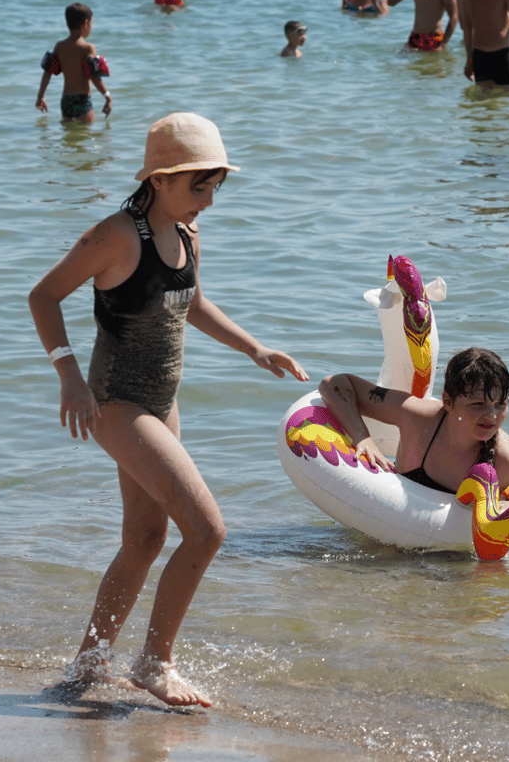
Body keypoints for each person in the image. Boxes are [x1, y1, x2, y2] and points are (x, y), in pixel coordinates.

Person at [28, 112, 310, 706]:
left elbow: (193, 303)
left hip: (162, 403)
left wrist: (254, 348)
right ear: (159, 179)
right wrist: (69, 378)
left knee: (145, 538)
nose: (208, 200)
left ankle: (88, 666)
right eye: (198, 186)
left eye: (213, 187)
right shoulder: (115, 235)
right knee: (207, 531)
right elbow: (44, 296)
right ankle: (155, 663)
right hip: (114, 402)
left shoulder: (187, 233)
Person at [317, 347, 509, 526]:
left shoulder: (505, 458)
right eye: (478, 405)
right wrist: (362, 437)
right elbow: (335, 384)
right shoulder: (416, 417)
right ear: (447, 401)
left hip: (453, 561)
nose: (491, 416)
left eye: (500, 404)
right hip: (391, 528)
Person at [36, 3, 112, 124]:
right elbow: (94, 77)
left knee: (68, 138)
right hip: (82, 100)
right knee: (85, 136)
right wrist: (107, 96)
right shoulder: (88, 48)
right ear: (85, 23)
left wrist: (40, 97)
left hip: (66, 101)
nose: (91, 28)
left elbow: (47, 73)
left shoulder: (59, 47)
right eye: (91, 24)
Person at [457, 0, 509, 93]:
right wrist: (507, 18)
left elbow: (466, 27)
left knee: (484, 104)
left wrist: (469, 60)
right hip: (502, 55)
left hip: (479, 56)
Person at [388, 0, 457, 52]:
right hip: (415, 37)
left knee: (431, 67)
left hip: (434, 38)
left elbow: (454, 15)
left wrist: (443, 44)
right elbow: (391, 2)